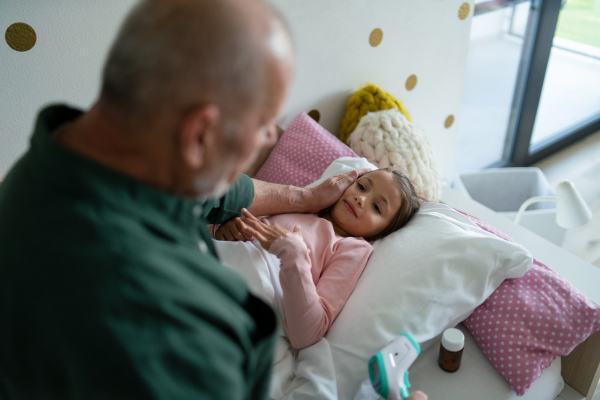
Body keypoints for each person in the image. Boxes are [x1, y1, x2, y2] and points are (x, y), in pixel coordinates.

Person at [0, 0, 429, 398]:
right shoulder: (181, 332)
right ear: (200, 135)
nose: (270, 139)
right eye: (262, 123)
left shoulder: (49, 165)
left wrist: (305, 197)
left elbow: (226, 195)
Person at [214, 169, 421, 349]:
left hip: (239, 305)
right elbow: (217, 210)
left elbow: (307, 333)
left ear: (382, 232)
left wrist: (294, 254)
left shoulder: (352, 248)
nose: (361, 199)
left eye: (376, 207)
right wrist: (225, 227)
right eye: (361, 186)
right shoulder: (300, 205)